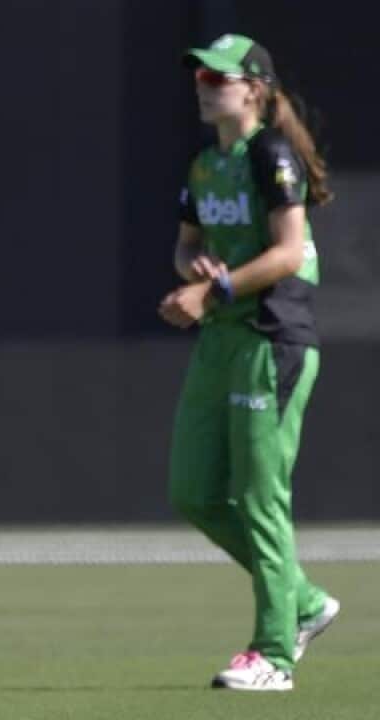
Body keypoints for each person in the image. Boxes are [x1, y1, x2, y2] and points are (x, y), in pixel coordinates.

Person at [160, 33, 339, 692]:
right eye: (201, 79)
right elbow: (186, 248)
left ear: (254, 89)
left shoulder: (272, 154)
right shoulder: (206, 165)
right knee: (195, 491)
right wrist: (196, 270)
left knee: (262, 499)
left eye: (219, 79)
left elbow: (291, 252)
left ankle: (275, 654)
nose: (206, 88)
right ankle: (307, 601)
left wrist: (218, 287)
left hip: (272, 338)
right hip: (222, 340)